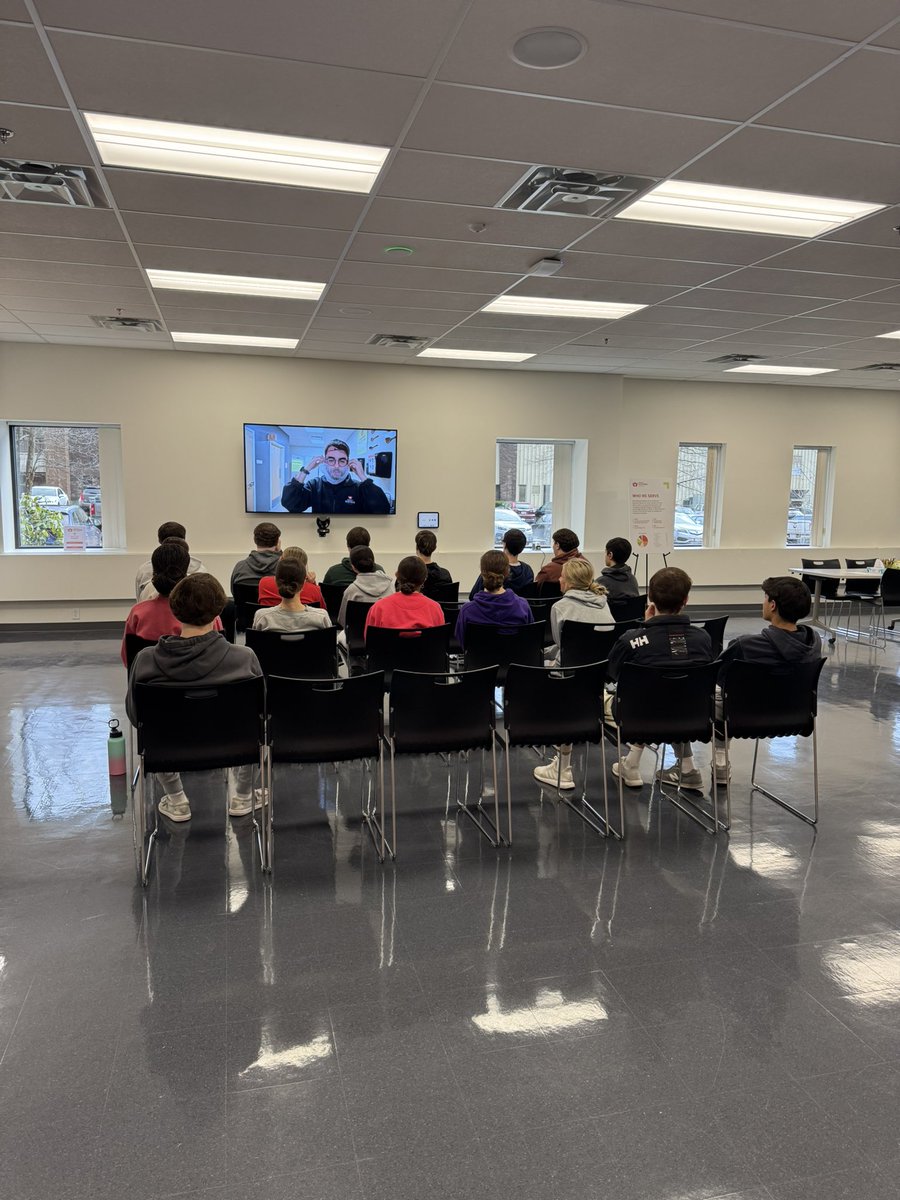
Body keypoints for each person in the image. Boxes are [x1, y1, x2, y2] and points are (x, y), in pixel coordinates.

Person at [126, 573, 263, 822]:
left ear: (175, 610)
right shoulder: (244, 659)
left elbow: (136, 717)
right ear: (218, 611)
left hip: (169, 748)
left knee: (156, 731)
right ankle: (243, 796)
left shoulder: (145, 661)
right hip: (233, 747)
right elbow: (262, 713)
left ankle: (177, 798)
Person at [606, 566, 713, 790]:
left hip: (637, 716)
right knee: (676, 692)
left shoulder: (631, 640)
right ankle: (687, 767)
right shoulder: (703, 639)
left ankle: (632, 764)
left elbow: (612, 674)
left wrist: (646, 628)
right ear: (685, 600)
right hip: (691, 715)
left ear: (650, 599)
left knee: (619, 695)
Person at [712, 576, 821, 784]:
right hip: (795, 717)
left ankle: (718, 761)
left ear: (772, 605)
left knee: (711, 697)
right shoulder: (814, 643)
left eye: (765, 598)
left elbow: (717, 676)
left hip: (745, 717)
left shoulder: (745, 645)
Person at [122, 540, 223, 665]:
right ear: (186, 573)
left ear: (153, 572)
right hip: (203, 679)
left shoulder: (138, 613)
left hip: (152, 680)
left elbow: (128, 659)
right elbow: (218, 653)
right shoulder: (208, 612)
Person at [280, 438, 391, 514]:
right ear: (324, 462)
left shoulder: (359, 488)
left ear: (349, 463)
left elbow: (382, 510)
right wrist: (306, 469)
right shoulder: (314, 485)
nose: (336, 466)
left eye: (342, 461)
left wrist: (363, 477)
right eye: (331, 460)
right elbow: (290, 504)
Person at [455, 550, 533, 648]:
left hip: (479, 662)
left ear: (482, 574)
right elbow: (530, 638)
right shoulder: (523, 606)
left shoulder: (467, 611)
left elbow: (462, 643)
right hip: (515, 661)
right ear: (507, 572)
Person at [546, 557, 614, 664]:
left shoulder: (559, 607)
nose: (559, 579)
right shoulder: (603, 602)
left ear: (570, 582)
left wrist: (543, 653)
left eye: (562, 576)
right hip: (599, 669)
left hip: (569, 671)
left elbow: (562, 646)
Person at [364, 557, 445, 632]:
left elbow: (369, 641)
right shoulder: (435, 609)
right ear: (424, 579)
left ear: (397, 575)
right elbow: (440, 643)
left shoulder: (379, 608)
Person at [252, 559, 333, 632]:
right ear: (304, 583)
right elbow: (330, 647)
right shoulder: (321, 617)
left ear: (276, 582)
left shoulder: (262, 617)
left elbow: (254, 646)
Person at [134, 521, 205, 600]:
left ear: (159, 540)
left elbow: (139, 602)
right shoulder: (201, 570)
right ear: (184, 539)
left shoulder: (145, 571)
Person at [337, 544, 394, 629]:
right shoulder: (390, 586)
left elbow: (343, 621)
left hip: (356, 638)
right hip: (386, 636)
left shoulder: (351, 590)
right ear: (373, 562)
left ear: (353, 567)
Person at [469, 528, 534, 598]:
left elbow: (473, 595)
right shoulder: (528, 571)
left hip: (492, 608)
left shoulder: (494, 567)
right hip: (518, 608)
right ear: (522, 548)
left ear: (505, 544)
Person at [257, 545, 323, 609]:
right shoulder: (314, 590)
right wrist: (313, 584)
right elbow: (323, 611)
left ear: (280, 562)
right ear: (303, 567)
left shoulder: (264, 583)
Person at [230, 522, 281, 592]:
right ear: (278, 542)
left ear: (255, 540)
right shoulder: (284, 568)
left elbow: (234, 592)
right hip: (275, 603)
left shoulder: (240, 567)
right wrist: (280, 553)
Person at [415, 529, 453, 596]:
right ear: (435, 548)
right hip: (440, 606)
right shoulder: (445, 574)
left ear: (417, 548)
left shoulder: (408, 574)